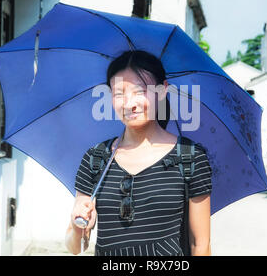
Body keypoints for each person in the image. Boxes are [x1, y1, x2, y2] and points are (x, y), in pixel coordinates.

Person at [65, 50, 212, 256]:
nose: (129, 103)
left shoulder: (190, 157)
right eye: (119, 93)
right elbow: (75, 248)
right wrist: (78, 225)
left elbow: (201, 245)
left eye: (140, 91)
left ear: (162, 91)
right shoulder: (96, 158)